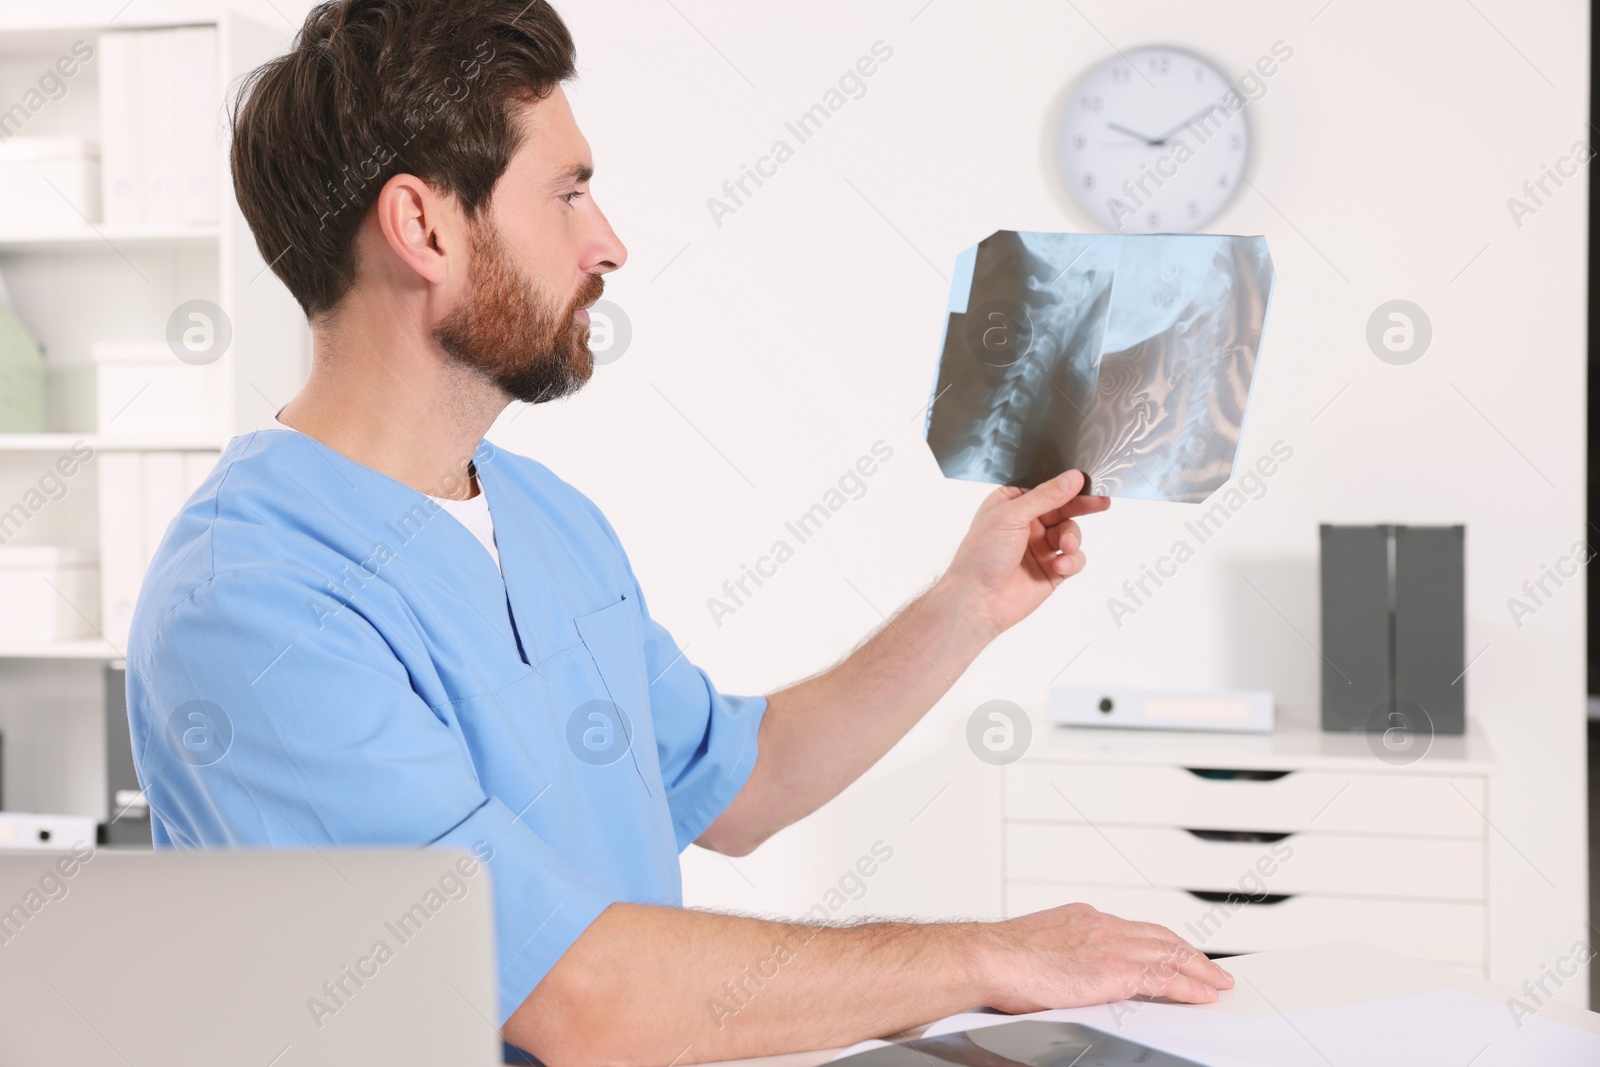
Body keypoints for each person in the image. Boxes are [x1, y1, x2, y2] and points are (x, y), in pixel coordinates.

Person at [125, 1, 1233, 1062]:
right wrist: (989, 955)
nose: (606, 243)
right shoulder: (250, 603)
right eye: (566, 193)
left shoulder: (546, 519)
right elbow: (576, 999)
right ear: (423, 225)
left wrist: (967, 603)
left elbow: (738, 786)